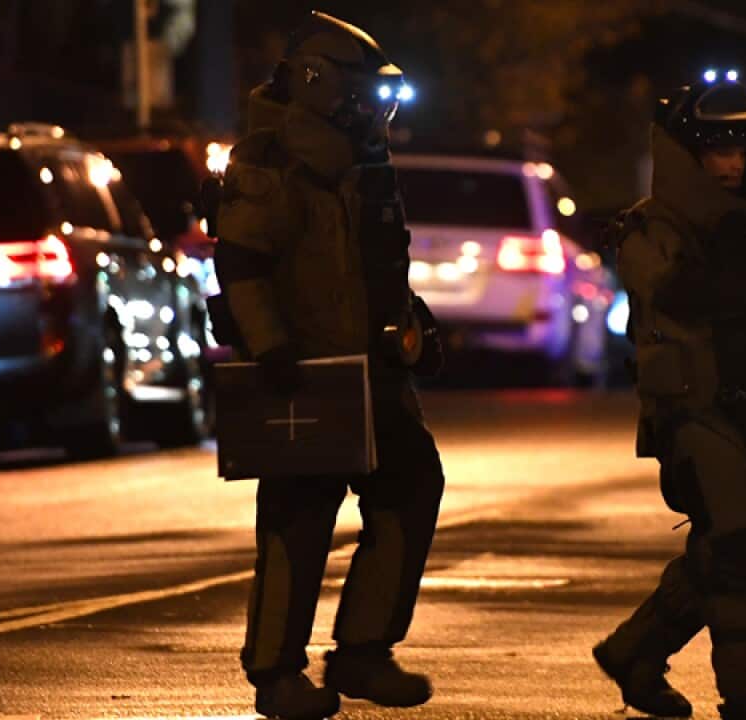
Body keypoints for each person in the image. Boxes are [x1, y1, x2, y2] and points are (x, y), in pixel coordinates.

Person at [212, 11, 444, 719]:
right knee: (297, 521)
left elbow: (378, 261)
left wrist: (413, 327)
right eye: (365, 94)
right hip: (305, 375)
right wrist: (271, 349)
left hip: (373, 374)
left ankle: (364, 652)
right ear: (318, 84)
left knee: (412, 488)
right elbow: (242, 263)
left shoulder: (365, 160)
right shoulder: (269, 161)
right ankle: (276, 673)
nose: (378, 109)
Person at [594, 76, 746, 720]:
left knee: (717, 551)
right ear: (686, 153)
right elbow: (679, 290)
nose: (730, 164)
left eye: (741, 149)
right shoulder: (650, 229)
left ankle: (634, 652)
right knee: (737, 547)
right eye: (715, 148)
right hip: (694, 415)